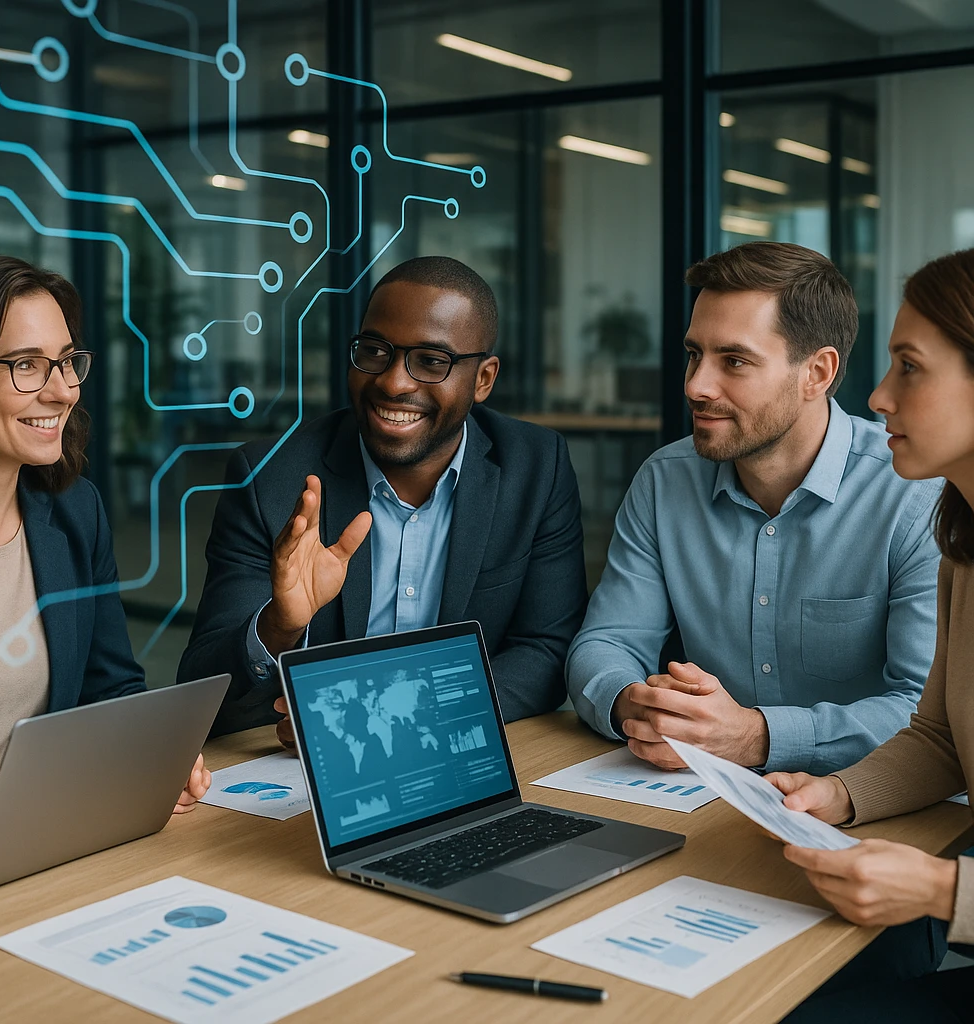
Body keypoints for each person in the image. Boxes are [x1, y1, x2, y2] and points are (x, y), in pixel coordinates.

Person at [566, 241, 941, 778]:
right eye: (695, 354)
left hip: (872, 804)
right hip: (698, 793)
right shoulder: (664, 481)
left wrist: (754, 737)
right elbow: (606, 642)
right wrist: (637, 706)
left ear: (817, 373)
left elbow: (925, 711)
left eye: (734, 361)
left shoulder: (913, 495)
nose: (696, 385)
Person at [179, 256, 587, 740]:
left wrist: (404, 714)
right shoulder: (271, 480)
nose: (393, 382)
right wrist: (278, 627)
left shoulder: (536, 466)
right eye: (375, 351)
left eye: (432, 362)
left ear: (483, 379)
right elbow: (202, 692)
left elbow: (546, 650)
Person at [767, 248, 974, 1022]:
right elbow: (942, 737)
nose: (879, 396)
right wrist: (839, 794)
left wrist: (940, 889)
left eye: (910, 368)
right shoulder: (965, 544)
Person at [0, 252, 210, 820]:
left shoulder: (74, 512)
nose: (64, 391)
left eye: (67, 362)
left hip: (46, 834)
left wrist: (149, 749)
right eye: (26, 365)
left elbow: (109, 687)